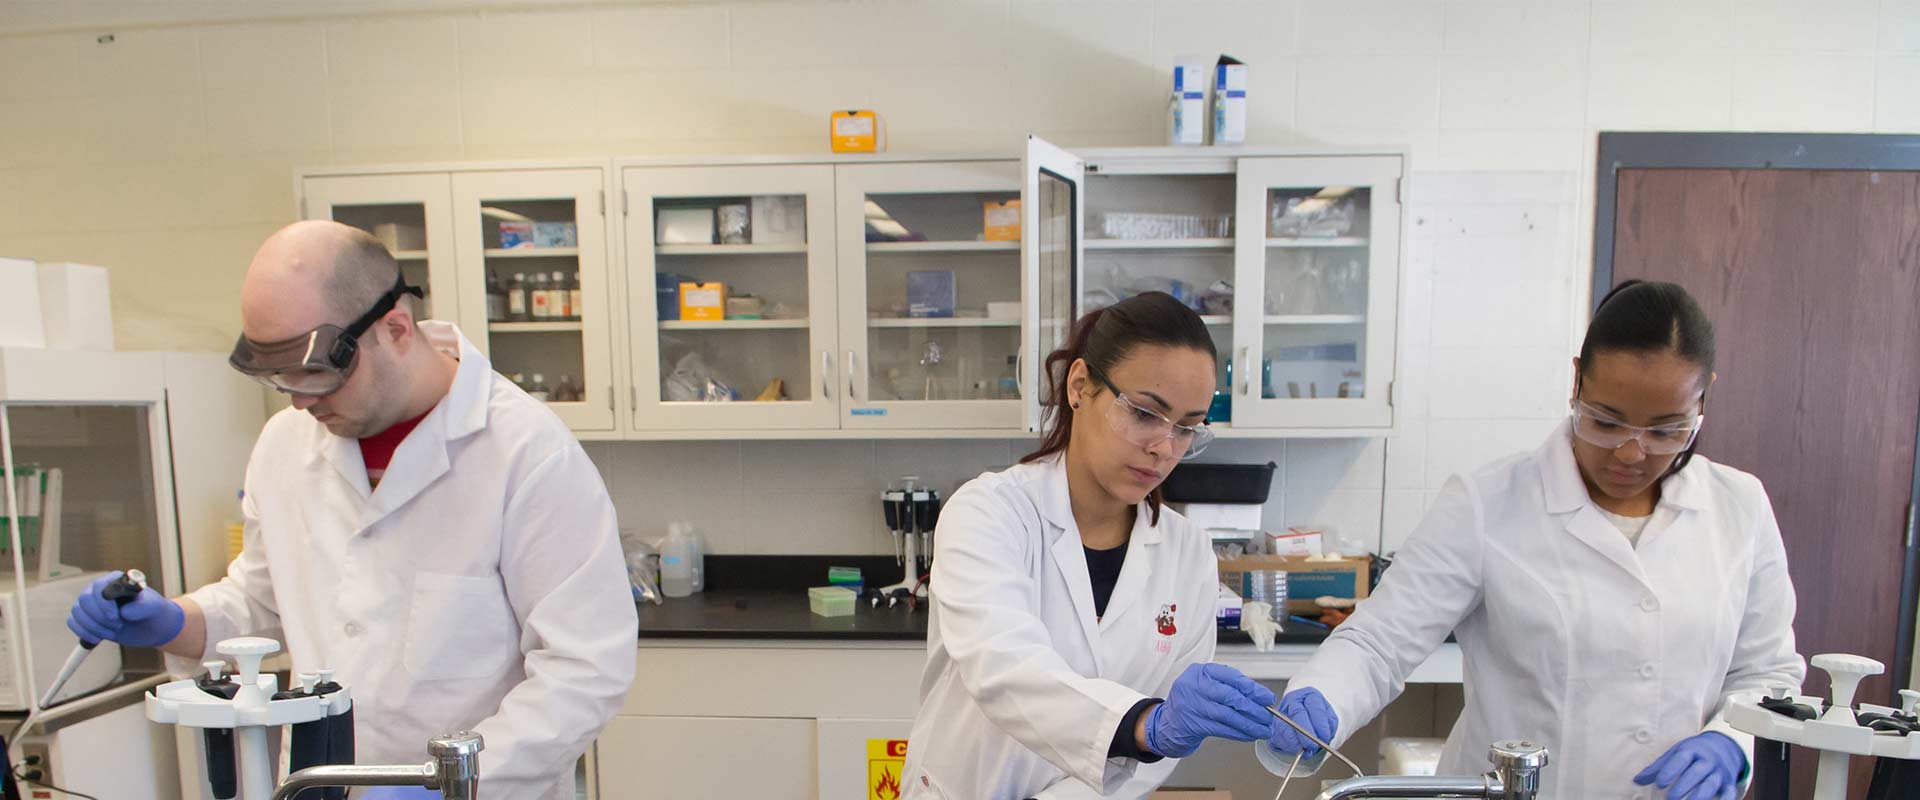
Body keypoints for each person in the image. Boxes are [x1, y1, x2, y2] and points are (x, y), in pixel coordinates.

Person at [64, 221, 637, 800]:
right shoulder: (285, 444)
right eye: (280, 376)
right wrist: (176, 622)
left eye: (318, 371)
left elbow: (583, 671)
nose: (301, 398)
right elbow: (264, 600)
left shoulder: (526, 452)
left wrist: (443, 785)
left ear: (395, 329)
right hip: (316, 783)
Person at [1268, 281, 1804, 800]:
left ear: (1704, 394)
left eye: (1665, 431)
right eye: (1607, 422)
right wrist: (1322, 699)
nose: (1630, 454)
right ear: (1577, 382)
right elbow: (1378, 644)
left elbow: (1767, 671)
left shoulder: (1740, 507)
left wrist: (1733, 742)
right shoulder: (1488, 503)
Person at [903, 292, 1282, 800]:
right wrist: (1145, 723)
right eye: (1146, 412)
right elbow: (1005, 668)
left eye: (1187, 428)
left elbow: (1156, 750)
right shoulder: (989, 512)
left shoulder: (1187, 551)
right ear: (1080, 386)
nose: (1163, 447)